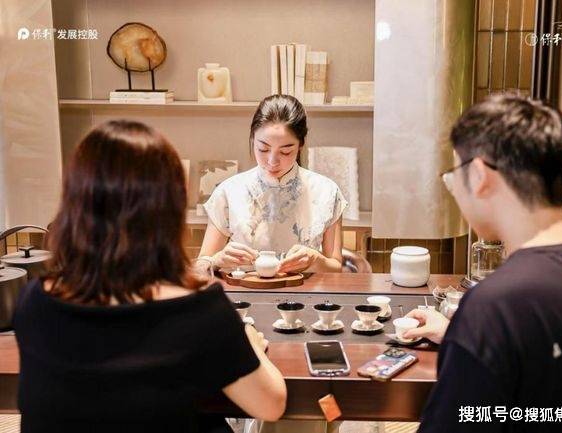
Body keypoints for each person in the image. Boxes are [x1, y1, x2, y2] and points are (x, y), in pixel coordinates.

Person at [404, 94, 562, 432]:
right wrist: (459, 335)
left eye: (453, 178)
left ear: (479, 176)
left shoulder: (495, 303)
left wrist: (474, 334)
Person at [13, 120, 286, 433]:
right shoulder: (199, 312)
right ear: (169, 210)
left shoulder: (34, 302)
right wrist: (250, 345)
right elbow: (271, 404)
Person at [196, 94, 347, 275]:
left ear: (301, 145)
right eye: (263, 149)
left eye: (285, 151)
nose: (272, 161)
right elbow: (200, 266)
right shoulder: (229, 191)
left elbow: (336, 268)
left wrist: (315, 259)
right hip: (242, 291)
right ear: (252, 139)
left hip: (306, 291)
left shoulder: (327, 192)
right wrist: (216, 260)